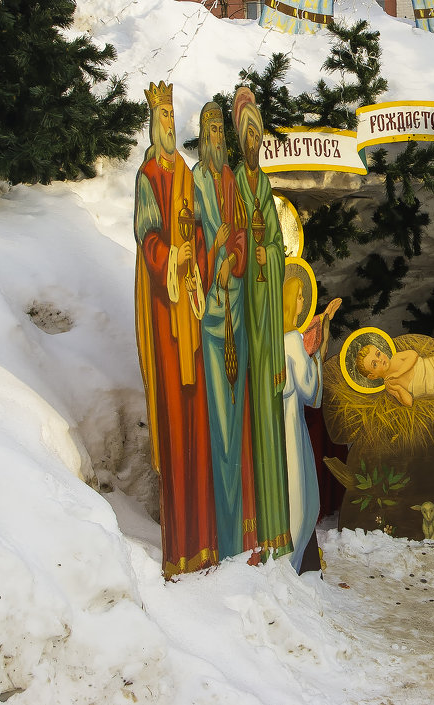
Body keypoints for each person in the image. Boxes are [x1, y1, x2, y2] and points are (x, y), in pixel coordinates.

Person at [133, 82, 217, 578]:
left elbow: (200, 233)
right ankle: (178, 542)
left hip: (191, 309)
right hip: (165, 317)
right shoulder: (148, 176)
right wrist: (171, 258)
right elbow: (148, 236)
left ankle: (204, 539)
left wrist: (200, 256)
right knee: (173, 408)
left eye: (172, 115)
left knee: (197, 417)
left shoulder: (185, 174)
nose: (169, 122)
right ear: (152, 121)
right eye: (162, 116)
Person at [191, 101, 259, 565]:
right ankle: (221, 527)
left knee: (239, 414)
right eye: (210, 127)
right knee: (218, 416)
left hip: (233, 301)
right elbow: (190, 234)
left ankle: (243, 529)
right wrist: (209, 259)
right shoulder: (195, 180)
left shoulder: (232, 178)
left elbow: (238, 235)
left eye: (221, 127)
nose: (217, 134)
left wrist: (230, 259)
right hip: (210, 317)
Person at [233, 87, 293, 561]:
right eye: (247, 135)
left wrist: (265, 254)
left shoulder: (265, 187)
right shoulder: (234, 183)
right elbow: (225, 242)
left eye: (258, 135)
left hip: (267, 321)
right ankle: (251, 532)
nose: (253, 142)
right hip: (242, 323)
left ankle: (276, 531)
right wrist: (244, 252)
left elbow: (276, 246)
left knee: (270, 423)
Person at [281, 278, 340, 573]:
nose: (303, 302)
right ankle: (292, 564)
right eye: (300, 296)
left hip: (279, 427)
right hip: (291, 428)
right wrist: (318, 352)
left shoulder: (270, 338)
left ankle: (293, 561)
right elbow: (312, 394)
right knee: (303, 504)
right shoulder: (291, 340)